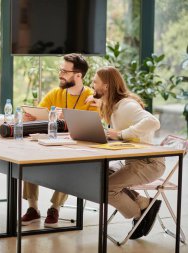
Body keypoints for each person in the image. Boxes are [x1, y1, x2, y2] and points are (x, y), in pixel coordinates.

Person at [21, 53, 97, 228]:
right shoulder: (56, 93)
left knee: (71, 165)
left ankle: (55, 208)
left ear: (78, 75)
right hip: (52, 143)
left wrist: (71, 119)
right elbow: (40, 115)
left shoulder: (91, 98)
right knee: (28, 157)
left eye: (65, 71)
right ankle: (32, 208)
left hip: (77, 149)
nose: (60, 74)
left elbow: (92, 127)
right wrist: (31, 118)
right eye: (60, 69)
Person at [92, 66, 165, 239]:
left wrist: (121, 134)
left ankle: (140, 214)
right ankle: (143, 202)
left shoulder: (126, 105)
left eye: (95, 82)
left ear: (106, 86)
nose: (92, 85)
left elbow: (153, 122)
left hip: (148, 163)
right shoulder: (114, 106)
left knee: (106, 188)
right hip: (132, 161)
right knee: (100, 174)